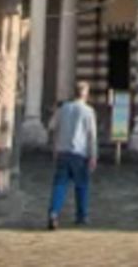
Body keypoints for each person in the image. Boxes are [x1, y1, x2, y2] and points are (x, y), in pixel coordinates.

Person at [45, 79, 98, 231]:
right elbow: (91, 136)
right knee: (81, 186)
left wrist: (56, 145)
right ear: (85, 94)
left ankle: (54, 213)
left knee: (59, 185)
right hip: (79, 154)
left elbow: (51, 126)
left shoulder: (63, 109)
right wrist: (93, 156)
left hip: (62, 152)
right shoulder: (88, 111)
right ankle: (81, 216)